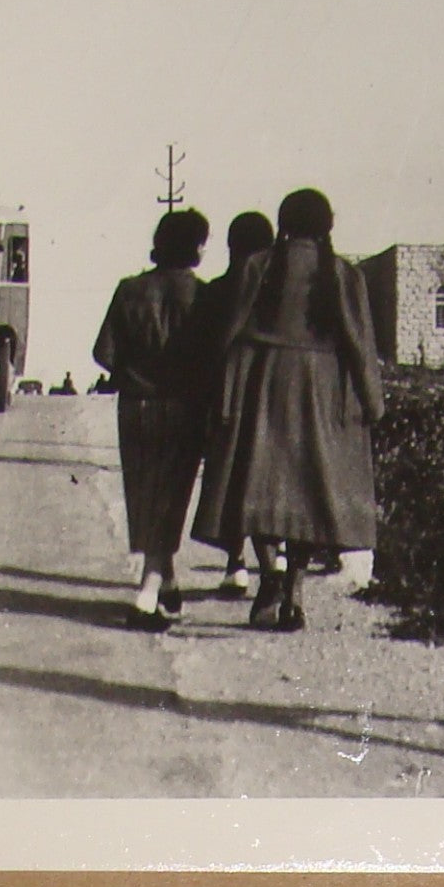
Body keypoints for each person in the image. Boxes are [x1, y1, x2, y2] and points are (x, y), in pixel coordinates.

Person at [191, 189, 384, 632]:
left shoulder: (257, 268)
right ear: (326, 226)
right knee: (308, 491)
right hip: (322, 391)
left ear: (283, 223)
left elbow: (227, 333)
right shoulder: (342, 274)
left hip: (263, 383)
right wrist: (372, 402)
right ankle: (295, 590)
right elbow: (360, 343)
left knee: (261, 486)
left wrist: (215, 389)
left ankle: (270, 574)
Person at [92, 209, 211, 631]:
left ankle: (168, 581)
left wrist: (132, 371)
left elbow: (102, 354)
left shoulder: (129, 290)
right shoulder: (205, 296)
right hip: (184, 408)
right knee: (172, 497)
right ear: (196, 247)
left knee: (146, 496)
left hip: (137, 406)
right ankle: (146, 596)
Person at [190, 211, 277, 598]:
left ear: (231, 247)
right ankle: (272, 563)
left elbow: (205, 350)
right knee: (264, 479)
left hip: (226, 396)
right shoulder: (281, 292)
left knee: (229, 479)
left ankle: (235, 565)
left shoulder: (216, 291)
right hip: (272, 399)